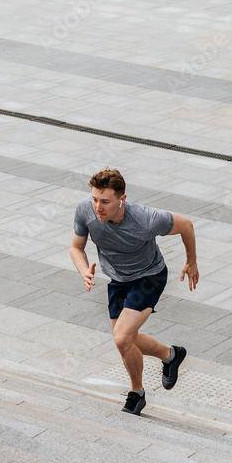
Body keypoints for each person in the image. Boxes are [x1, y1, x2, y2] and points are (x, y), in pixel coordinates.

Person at [70, 168, 198, 415]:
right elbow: (76, 247)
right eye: (95, 199)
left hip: (148, 277)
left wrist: (191, 261)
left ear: (122, 199)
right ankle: (170, 356)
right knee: (125, 339)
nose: (98, 207)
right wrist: (84, 270)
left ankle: (136, 393)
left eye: (105, 201)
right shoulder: (84, 210)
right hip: (118, 279)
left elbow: (186, 224)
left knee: (121, 338)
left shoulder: (146, 219)